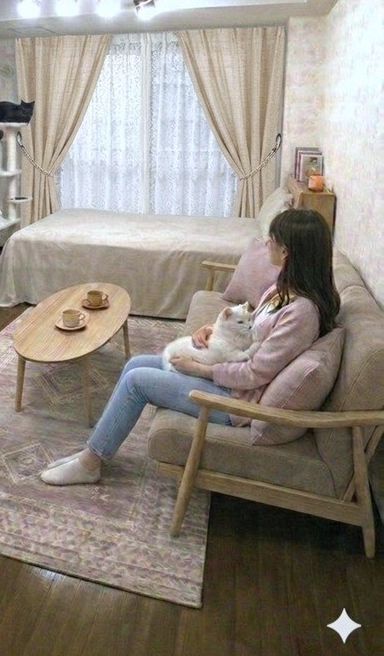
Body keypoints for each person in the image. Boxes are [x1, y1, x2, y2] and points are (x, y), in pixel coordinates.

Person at [40, 208, 340, 486]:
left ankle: (89, 463)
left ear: (286, 252)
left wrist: (199, 369)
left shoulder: (300, 313)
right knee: (134, 363)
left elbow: (255, 373)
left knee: (136, 382)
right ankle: (94, 449)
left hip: (237, 401)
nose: (266, 245)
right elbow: (254, 335)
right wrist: (213, 331)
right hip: (231, 376)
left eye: (271, 240)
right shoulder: (281, 291)